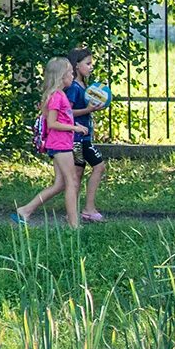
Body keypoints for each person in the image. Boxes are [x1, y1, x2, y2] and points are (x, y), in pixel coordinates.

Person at [12, 58, 89, 228]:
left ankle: (25, 210)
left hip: (62, 143)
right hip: (60, 145)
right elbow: (53, 124)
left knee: (61, 184)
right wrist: (73, 129)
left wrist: (75, 125)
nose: (72, 75)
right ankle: (74, 225)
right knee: (72, 182)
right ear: (61, 76)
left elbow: (59, 118)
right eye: (69, 72)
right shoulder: (56, 97)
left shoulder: (60, 95)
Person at [65, 48, 108, 222]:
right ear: (76, 66)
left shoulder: (85, 86)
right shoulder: (73, 87)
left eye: (92, 63)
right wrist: (87, 110)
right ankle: (87, 209)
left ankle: (75, 213)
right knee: (98, 167)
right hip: (76, 139)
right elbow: (66, 112)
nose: (91, 67)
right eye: (88, 63)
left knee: (78, 175)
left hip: (85, 137)